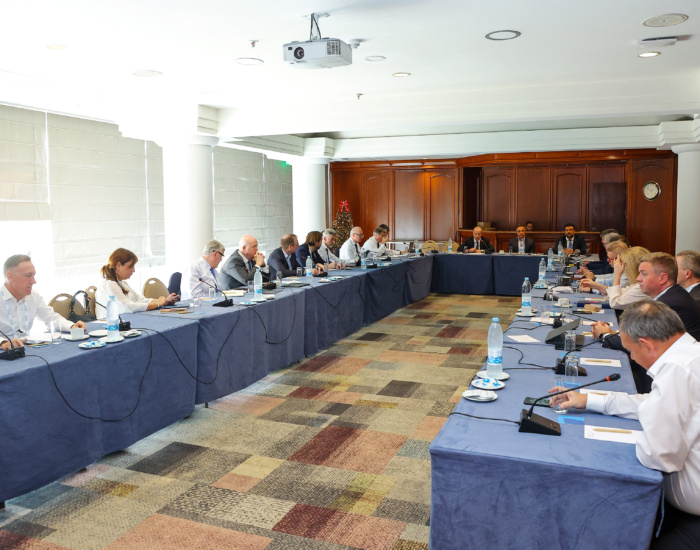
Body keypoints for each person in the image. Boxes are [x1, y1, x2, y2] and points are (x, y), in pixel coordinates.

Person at [550, 301, 700, 550]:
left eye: (630, 351)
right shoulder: (689, 355)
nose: (632, 358)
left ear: (647, 344)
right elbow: (650, 402)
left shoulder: (677, 370)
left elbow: (658, 456)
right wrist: (588, 400)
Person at [593, 252, 700, 392]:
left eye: (643, 274)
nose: (638, 279)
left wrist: (605, 335)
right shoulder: (671, 295)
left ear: (662, 278)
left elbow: (640, 344)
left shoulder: (670, 303)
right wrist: (611, 333)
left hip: (666, 382)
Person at [0, 255, 87, 350]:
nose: (34, 281)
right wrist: (3, 343)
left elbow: (51, 317)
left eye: (34, 276)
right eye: (28, 276)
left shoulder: (33, 296)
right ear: (10, 276)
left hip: (25, 349)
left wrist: (72, 326)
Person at [97, 248, 178, 317]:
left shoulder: (123, 283)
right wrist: (157, 304)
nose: (134, 270)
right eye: (130, 266)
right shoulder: (109, 284)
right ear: (118, 266)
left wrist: (164, 302)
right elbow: (127, 307)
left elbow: (140, 299)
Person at [581, 247, 649, 309]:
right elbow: (621, 292)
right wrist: (597, 286)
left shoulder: (643, 286)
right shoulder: (638, 284)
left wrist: (617, 275)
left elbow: (615, 303)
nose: (622, 267)